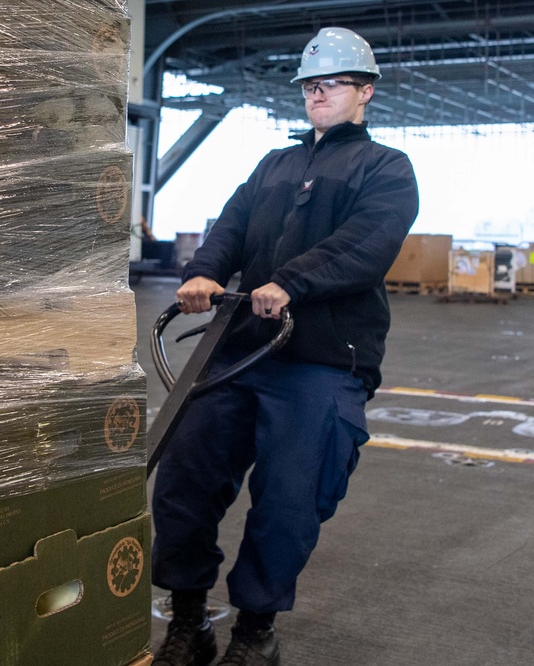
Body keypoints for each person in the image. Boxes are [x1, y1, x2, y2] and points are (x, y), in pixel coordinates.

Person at [151, 27, 420, 666]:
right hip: (239, 348)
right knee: (185, 480)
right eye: (309, 85)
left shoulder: (385, 167)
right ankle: (189, 621)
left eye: (331, 84)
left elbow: (365, 244)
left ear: (365, 92)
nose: (317, 94)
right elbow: (232, 225)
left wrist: (291, 283)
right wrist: (205, 270)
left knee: (290, 499)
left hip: (322, 359)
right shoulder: (274, 165)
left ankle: (255, 633)